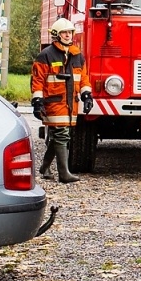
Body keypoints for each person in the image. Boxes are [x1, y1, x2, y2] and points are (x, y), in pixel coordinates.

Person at [30, 18, 92, 184]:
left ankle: (44, 167)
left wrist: (87, 95)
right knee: (61, 135)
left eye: (70, 32)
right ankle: (64, 174)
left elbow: (83, 79)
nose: (68, 35)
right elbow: (37, 81)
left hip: (71, 103)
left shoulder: (77, 55)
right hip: (53, 102)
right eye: (64, 32)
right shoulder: (46, 55)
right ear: (57, 35)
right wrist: (37, 102)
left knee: (60, 135)